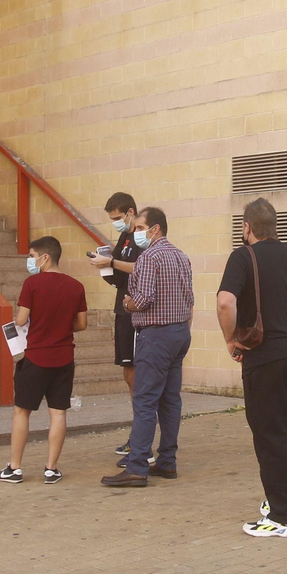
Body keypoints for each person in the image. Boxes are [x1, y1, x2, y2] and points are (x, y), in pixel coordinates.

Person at [217, 198, 287, 537]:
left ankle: (285, 516)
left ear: (247, 227)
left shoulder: (242, 257)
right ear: (275, 227)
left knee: (269, 433)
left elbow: (225, 301)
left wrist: (230, 338)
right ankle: (279, 498)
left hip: (265, 358)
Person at [103, 207, 193, 488]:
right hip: (179, 332)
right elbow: (189, 298)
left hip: (155, 335)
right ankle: (167, 461)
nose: (137, 232)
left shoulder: (148, 257)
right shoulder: (181, 256)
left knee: (144, 400)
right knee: (170, 399)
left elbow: (142, 300)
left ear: (155, 229)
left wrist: (127, 303)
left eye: (140, 228)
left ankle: (137, 465)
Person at [0, 237, 89, 484]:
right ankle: (51, 468)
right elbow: (81, 324)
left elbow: (20, 320)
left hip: (36, 356)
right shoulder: (76, 286)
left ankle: (14, 468)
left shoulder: (32, 283)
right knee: (58, 413)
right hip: (64, 358)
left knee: (21, 412)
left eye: (31, 255)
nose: (30, 260)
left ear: (44, 257)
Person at [88, 192, 145, 458]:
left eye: (119, 218)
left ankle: (141, 441)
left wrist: (110, 262)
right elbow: (121, 272)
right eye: (112, 220)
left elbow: (141, 268)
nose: (116, 223)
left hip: (136, 313)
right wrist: (105, 269)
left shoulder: (143, 239)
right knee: (128, 375)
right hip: (121, 311)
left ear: (131, 212)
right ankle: (137, 436)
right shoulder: (123, 238)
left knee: (138, 378)